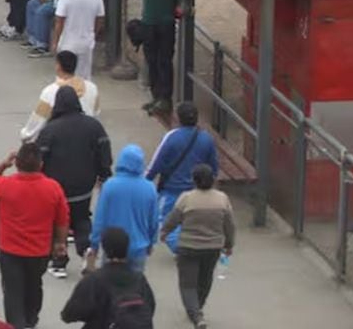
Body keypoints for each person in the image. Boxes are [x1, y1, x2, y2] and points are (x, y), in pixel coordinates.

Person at [0, 143, 69, 329]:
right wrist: (60, 243)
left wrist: (4, 164)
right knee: (34, 286)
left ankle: (17, 324)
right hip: (39, 252)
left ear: (17, 163)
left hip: (10, 251)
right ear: (41, 164)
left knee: (13, 291)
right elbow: (62, 219)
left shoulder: (5, 185)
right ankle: (30, 319)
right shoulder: (53, 188)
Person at [36, 86, 113, 278]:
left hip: (56, 188)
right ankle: (86, 249)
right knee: (81, 218)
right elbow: (104, 152)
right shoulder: (93, 126)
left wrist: (38, 181)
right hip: (84, 185)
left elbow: (38, 158)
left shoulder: (50, 130)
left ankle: (59, 262)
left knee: (57, 222)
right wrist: (103, 175)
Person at [161, 165, 234, 329]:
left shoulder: (186, 198)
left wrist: (164, 232)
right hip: (213, 247)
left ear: (194, 180)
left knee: (187, 284)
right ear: (213, 180)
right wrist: (229, 245)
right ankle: (197, 307)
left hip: (188, 247)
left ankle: (196, 315)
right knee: (205, 280)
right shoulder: (222, 199)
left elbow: (173, 219)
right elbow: (229, 225)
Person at [146, 101, 219, 253]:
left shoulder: (171, 137)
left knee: (165, 222)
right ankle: (193, 245)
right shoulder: (206, 138)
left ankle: (184, 249)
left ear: (178, 118)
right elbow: (213, 167)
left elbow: (157, 163)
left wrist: (144, 181)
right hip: (197, 190)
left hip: (172, 190)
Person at [60, 227, 156, 329]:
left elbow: (69, 314)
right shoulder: (139, 278)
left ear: (105, 249)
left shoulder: (94, 280)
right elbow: (151, 306)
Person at [126, 0, 180, 115]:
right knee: (152, 62)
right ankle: (156, 96)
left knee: (164, 62)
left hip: (165, 24)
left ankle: (165, 99)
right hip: (148, 22)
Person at [88, 144, 159, 274]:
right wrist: (152, 242)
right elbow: (153, 220)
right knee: (134, 288)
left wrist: (95, 243)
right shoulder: (149, 188)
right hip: (139, 247)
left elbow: (100, 218)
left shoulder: (110, 186)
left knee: (110, 286)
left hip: (112, 247)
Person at [20, 51, 101, 142]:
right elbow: (96, 116)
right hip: (86, 138)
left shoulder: (50, 91)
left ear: (58, 66)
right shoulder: (92, 88)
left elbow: (38, 121)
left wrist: (25, 135)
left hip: (60, 140)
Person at [52, 0, 105, 80]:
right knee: (84, 78)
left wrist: (55, 42)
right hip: (86, 43)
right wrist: (93, 34)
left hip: (67, 43)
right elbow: (100, 20)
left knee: (65, 77)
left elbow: (59, 21)